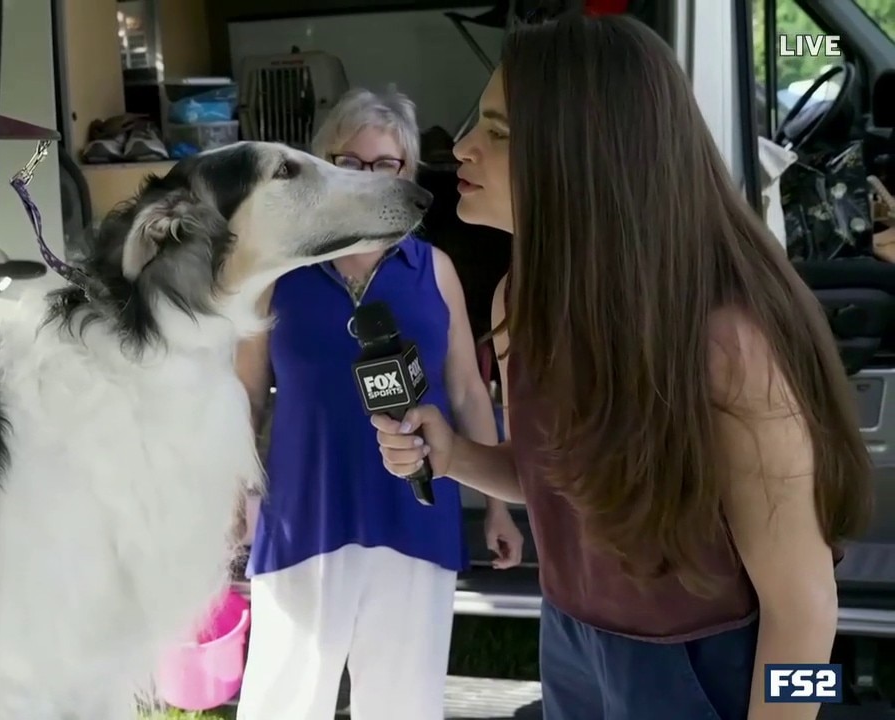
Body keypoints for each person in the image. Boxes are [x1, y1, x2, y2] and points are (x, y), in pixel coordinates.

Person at [371, 14, 873, 720]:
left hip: (711, 662)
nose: (461, 148)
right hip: (571, 639)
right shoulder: (522, 298)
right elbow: (559, 480)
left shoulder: (729, 347)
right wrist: (454, 456)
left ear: (589, 152)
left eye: (500, 131)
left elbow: (807, 609)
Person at [233, 87, 524, 720]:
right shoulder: (277, 271)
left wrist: (499, 507)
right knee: (284, 701)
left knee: (403, 703)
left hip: (414, 514)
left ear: (408, 173)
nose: (368, 177)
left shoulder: (435, 269)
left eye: (385, 164)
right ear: (323, 167)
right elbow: (246, 391)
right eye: (351, 163)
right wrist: (234, 488)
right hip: (303, 514)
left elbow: (467, 390)